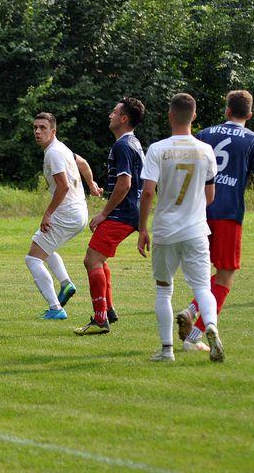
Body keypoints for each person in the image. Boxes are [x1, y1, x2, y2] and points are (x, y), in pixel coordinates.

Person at [178, 90, 254, 351]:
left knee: (203, 272)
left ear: (227, 110)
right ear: (250, 115)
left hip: (199, 212)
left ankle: (191, 311)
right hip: (228, 213)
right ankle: (194, 335)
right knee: (225, 275)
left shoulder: (205, 134)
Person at [138, 94, 224, 363]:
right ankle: (210, 325)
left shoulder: (157, 149)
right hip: (196, 230)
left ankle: (167, 351)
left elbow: (148, 192)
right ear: (194, 116)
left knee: (164, 289)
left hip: (165, 230)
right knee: (203, 288)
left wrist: (142, 228)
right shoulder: (206, 150)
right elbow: (210, 196)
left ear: (170, 115)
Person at [75, 97, 145, 336]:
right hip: (129, 212)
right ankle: (109, 311)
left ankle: (100, 318)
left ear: (124, 118)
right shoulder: (134, 142)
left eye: (114, 112)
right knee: (99, 259)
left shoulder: (122, 146)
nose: (110, 115)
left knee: (92, 260)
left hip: (121, 214)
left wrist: (104, 213)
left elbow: (125, 184)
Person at [25, 112, 101, 320]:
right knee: (44, 247)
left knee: (32, 259)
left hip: (67, 213)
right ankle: (66, 284)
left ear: (53, 131)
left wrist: (47, 214)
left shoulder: (53, 153)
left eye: (43, 128)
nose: (37, 131)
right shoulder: (62, 148)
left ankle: (56, 308)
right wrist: (92, 185)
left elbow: (63, 186)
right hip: (78, 211)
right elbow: (82, 163)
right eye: (35, 127)